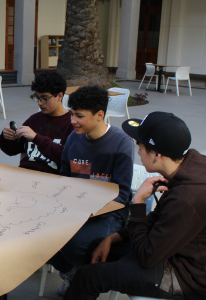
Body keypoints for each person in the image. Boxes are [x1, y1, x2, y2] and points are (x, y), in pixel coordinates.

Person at [64, 112, 206, 300]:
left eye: (140, 147)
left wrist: (137, 202)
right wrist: (111, 238)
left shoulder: (187, 198)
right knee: (98, 246)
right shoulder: (193, 166)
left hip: (189, 276)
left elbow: (147, 257)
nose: (138, 152)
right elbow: (158, 219)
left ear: (157, 155)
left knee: (87, 278)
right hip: (176, 250)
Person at [48, 85, 134, 295]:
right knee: (38, 233)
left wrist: (85, 211)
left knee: (78, 243)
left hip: (109, 211)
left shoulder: (122, 143)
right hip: (75, 207)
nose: (72, 121)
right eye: (71, 114)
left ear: (99, 115)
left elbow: (121, 195)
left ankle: (86, 278)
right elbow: (66, 179)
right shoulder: (73, 139)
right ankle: (73, 273)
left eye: (79, 116)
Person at [0, 71, 74, 174]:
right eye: (37, 98)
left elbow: (69, 158)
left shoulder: (73, 123)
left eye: (44, 98)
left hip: (52, 179)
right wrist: (6, 138)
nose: (39, 103)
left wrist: (36, 138)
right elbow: (11, 150)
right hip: (24, 174)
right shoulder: (34, 119)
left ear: (60, 96)